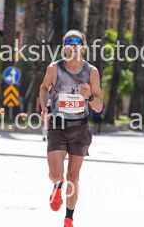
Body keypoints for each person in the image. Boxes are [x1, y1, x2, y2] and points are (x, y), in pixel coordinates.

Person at [39, 30, 103, 227]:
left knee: (73, 177)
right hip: (57, 126)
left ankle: (69, 218)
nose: (72, 47)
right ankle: (57, 186)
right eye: (69, 44)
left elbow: (99, 106)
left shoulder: (91, 72)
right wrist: (44, 108)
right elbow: (44, 88)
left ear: (83, 48)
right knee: (56, 174)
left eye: (76, 44)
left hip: (80, 128)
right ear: (64, 47)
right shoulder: (54, 68)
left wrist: (89, 97)